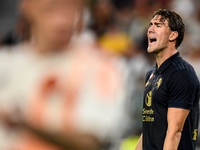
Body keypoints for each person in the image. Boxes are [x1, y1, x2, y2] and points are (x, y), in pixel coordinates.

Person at [0, 0, 126, 149]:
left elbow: (90, 141)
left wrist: (23, 123)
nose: (63, 19)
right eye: (51, 8)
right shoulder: (7, 62)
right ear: (28, 7)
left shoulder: (102, 65)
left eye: (70, 8)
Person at [135, 9, 199, 150]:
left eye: (158, 25)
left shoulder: (181, 73)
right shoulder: (151, 74)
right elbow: (148, 130)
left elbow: (175, 131)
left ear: (173, 35)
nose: (150, 29)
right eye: (150, 25)